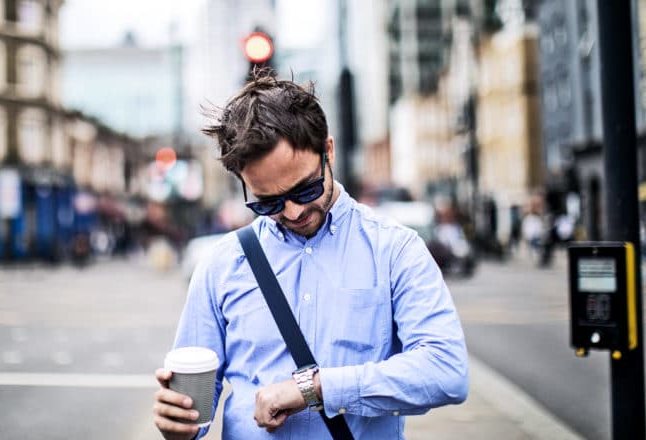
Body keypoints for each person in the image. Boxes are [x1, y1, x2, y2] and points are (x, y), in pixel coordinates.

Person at [153, 71, 468, 439]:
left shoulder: (396, 249)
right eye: (267, 201)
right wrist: (181, 424)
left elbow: (447, 372)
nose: (291, 212)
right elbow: (194, 409)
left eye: (304, 190)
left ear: (328, 152)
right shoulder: (220, 265)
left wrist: (315, 389)